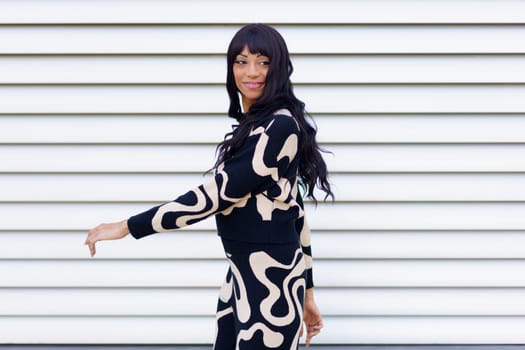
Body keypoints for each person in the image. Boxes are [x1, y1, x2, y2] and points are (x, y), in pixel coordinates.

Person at [85, 23, 333, 349]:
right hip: (242, 278)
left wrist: (127, 226)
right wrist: (308, 293)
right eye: (241, 61)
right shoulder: (259, 125)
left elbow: (215, 195)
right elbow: (296, 211)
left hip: (270, 285)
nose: (251, 72)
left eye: (263, 61)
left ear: (279, 67)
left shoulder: (280, 126)